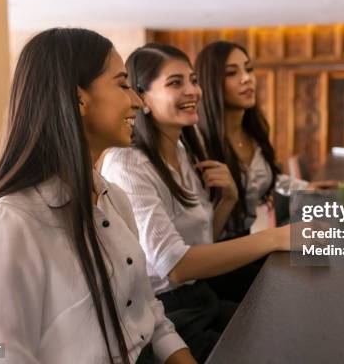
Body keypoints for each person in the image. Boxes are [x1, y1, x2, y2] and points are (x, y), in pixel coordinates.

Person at [0, 29, 195, 364]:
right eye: (122, 84)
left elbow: (151, 315)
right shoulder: (10, 223)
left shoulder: (113, 199)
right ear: (78, 99)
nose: (138, 102)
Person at [101, 43, 291, 361]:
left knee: (285, 327)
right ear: (142, 98)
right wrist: (273, 238)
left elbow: (199, 242)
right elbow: (174, 267)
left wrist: (227, 200)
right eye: (176, 83)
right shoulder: (128, 164)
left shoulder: (182, 149)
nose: (193, 91)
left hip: (200, 296)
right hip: (170, 311)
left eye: (193, 80)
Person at [195, 41, 337, 241]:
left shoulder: (252, 135)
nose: (247, 78)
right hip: (214, 252)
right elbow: (196, 235)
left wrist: (305, 188)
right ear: (210, 82)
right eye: (231, 73)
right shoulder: (199, 143)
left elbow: (266, 176)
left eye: (249, 69)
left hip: (247, 241)